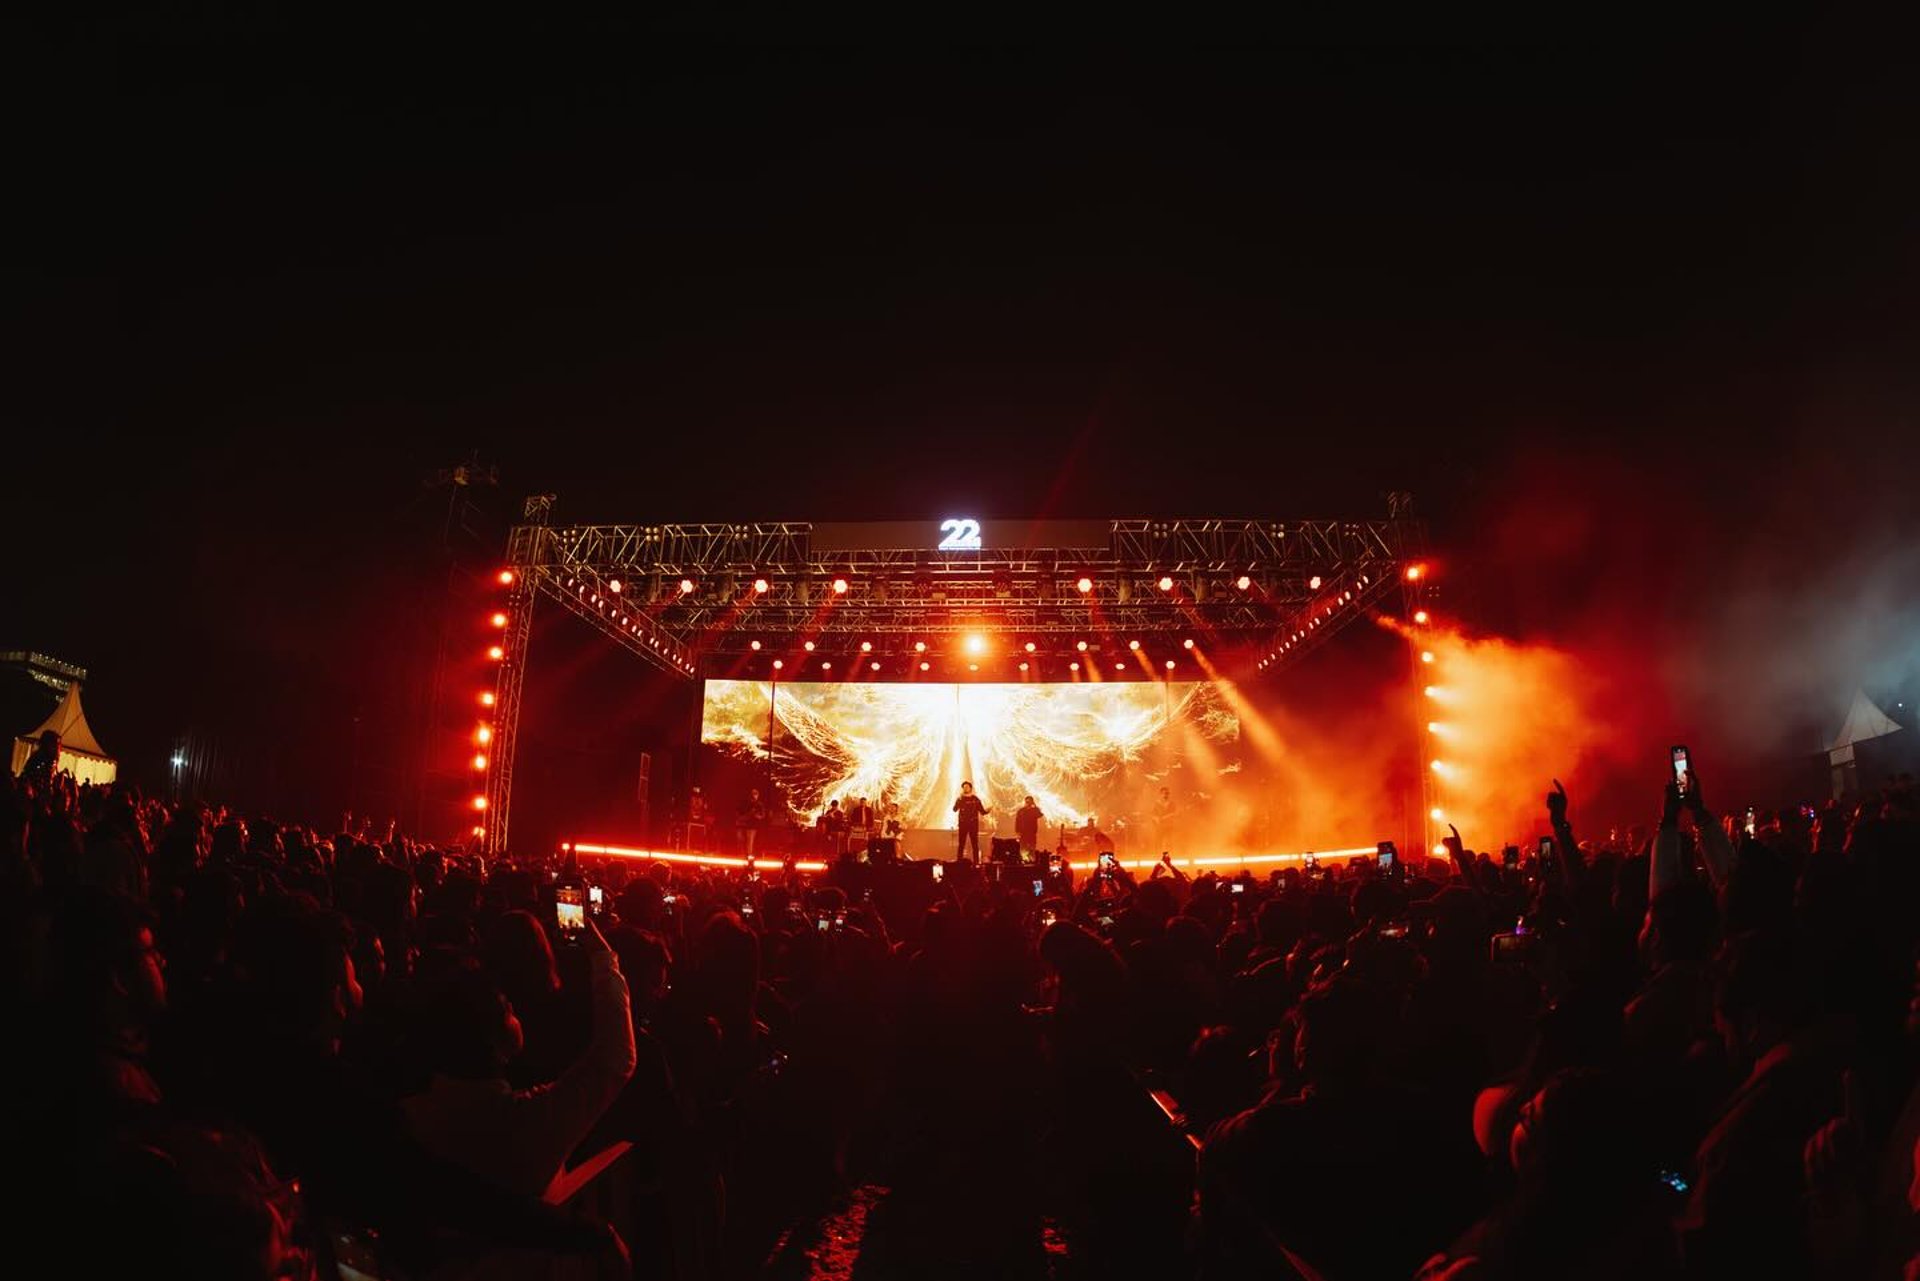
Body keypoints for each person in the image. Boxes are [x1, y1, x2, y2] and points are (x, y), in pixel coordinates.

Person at [952, 782, 990, 862]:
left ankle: (976, 862)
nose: (965, 788)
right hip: (963, 824)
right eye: (964, 787)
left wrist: (988, 810)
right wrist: (959, 800)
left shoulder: (975, 799)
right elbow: (954, 809)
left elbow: (982, 811)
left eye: (967, 787)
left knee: (974, 844)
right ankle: (959, 862)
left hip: (973, 824)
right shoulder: (960, 799)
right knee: (961, 844)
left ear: (970, 788)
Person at [737, 788, 767, 859]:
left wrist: (756, 816)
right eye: (753, 794)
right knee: (746, 840)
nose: (754, 796)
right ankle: (747, 854)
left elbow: (763, 815)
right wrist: (747, 815)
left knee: (752, 840)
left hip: (755, 825)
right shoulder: (747, 803)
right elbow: (741, 813)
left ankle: (751, 854)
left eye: (756, 794)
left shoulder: (759, 804)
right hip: (747, 824)